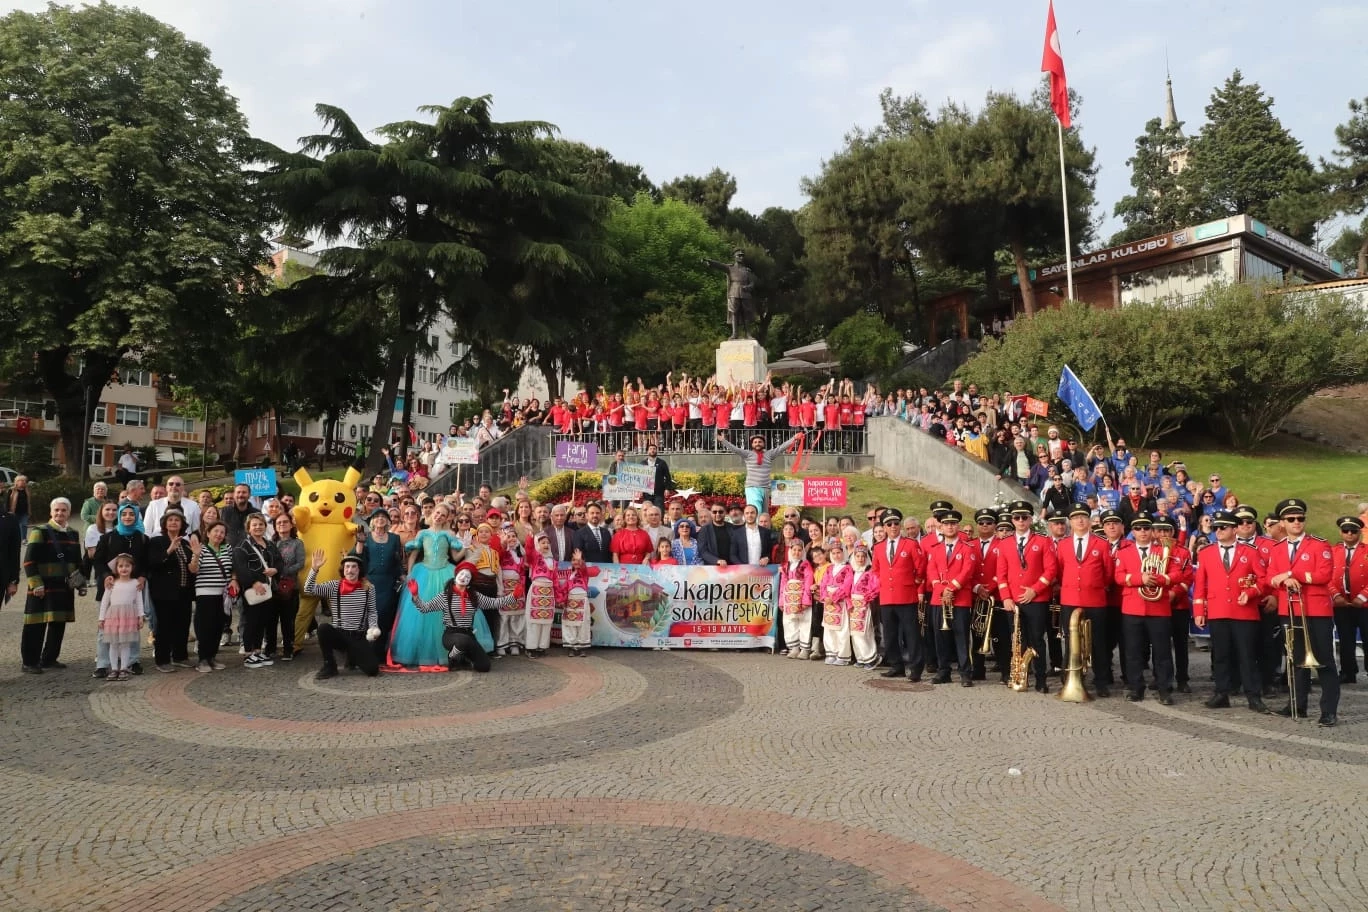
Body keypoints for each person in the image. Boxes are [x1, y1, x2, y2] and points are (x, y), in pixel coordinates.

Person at [1265, 498, 1339, 726]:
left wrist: (1290, 575)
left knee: (1324, 660)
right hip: (1290, 609)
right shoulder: (1276, 549)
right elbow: (1270, 577)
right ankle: (1297, 704)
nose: (1297, 522)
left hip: (1317, 610)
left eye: (1300, 518)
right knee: (1296, 660)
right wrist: (1284, 579)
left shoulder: (1319, 544)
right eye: (1291, 519)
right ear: (1282, 524)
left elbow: (1324, 575)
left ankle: (1328, 711)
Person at [1192, 510, 1268, 713]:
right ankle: (1221, 693)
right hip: (1218, 610)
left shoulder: (1250, 552)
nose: (1218, 531)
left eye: (1223, 527)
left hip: (1244, 611)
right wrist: (1199, 610)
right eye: (1216, 528)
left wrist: (1251, 593)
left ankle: (1254, 696)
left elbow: (1263, 580)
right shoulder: (1206, 552)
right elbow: (1200, 584)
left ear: (1234, 529)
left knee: (1247, 656)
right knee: (1221, 656)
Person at [390, 504, 475, 669]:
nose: (439, 517)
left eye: (443, 515)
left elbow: (456, 556)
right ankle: (421, 652)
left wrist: (465, 546)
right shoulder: (422, 533)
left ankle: (452, 653)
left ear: (446, 518)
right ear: (432, 514)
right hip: (424, 572)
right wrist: (410, 573)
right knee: (419, 614)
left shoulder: (449, 534)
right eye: (437, 513)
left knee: (449, 611)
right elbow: (413, 554)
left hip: (445, 572)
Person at [1115, 513, 1177, 704]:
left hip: (1158, 608)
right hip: (1133, 608)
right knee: (1133, 651)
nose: (1142, 532)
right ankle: (1135, 687)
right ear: (1132, 531)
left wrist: (1156, 579)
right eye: (1138, 529)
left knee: (1162, 651)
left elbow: (1175, 575)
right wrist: (1138, 579)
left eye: (1146, 528)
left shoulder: (1163, 551)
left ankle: (1164, 689)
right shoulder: (1123, 552)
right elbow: (1118, 577)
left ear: (1152, 531)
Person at [408, 562, 517, 671]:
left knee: (484, 666)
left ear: (469, 582)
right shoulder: (445, 596)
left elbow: (494, 603)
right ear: (456, 576)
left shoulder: (475, 596)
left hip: (468, 635)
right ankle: (453, 657)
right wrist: (416, 596)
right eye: (462, 574)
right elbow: (425, 608)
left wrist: (514, 596)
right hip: (451, 635)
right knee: (463, 641)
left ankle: (464, 658)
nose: (464, 577)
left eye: (467, 577)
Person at [998, 500, 1058, 691]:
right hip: (1013, 600)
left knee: (1037, 640)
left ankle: (1041, 679)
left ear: (1031, 519)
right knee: (1016, 640)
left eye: (1025, 517)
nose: (1021, 520)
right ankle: (1021, 676)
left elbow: (1051, 570)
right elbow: (1001, 574)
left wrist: (1035, 590)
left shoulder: (1043, 540)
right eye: (1017, 517)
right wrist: (1006, 597)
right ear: (1012, 520)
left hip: (1037, 599)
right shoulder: (1005, 543)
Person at [1057, 505, 1114, 697]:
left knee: (1098, 642)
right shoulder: (1063, 544)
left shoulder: (1102, 544)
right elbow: (1060, 571)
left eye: (1084, 517)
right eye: (1076, 518)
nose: (1080, 521)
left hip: (1095, 600)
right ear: (1070, 522)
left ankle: (1101, 682)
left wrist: (1094, 585)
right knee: (1071, 641)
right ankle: (1071, 678)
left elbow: (1108, 574)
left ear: (1089, 521)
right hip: (1070, 599)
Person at [19, 497, 82, 673]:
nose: (60, 513)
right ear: (51, 512)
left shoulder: (73, 533)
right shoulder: (40, 531)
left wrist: (79, 582)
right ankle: (30, 662)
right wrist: (35, 584)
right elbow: (29, 561)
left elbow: (77, 561)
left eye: (63, 510)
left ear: (69, 512)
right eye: (57, 510)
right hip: (42, 586)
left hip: (64, 586)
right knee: (35, 624)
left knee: (58, 623)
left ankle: (49, 658)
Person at [306, 550, 381, 679]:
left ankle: (352, 656)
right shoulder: (334, 586)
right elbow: (308, 589)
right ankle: (329, 665)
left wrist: (373, 627)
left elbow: (372, 611)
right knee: (323, 628)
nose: (350, 570)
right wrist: (314, 569)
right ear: (343, 569)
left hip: (358, 636)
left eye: (353, 567)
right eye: (347, 567)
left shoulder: (369, 588)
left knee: (372, 670)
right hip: (340, 634)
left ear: (359, 570)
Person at [927, 510, 980, 687]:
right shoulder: (935, 549)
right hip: (939, 598)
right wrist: (941, 589)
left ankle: (965, 673)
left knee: (961, 636)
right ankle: (944, 671)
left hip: (960, 598)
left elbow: (968, 570)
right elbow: (931, 571)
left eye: (953, 523)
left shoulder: (967, 548)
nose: (950, 527)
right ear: (940, 527)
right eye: (946, 524)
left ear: (958, 526)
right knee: (940, 636)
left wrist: (952, 588)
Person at [873, 509, 927, 681]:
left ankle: (916, 668)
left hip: (906, 596)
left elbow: (921, 568)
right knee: (890, 635)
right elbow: (876, 570)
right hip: (887, 598)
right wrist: (882, 584)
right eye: (889, 524)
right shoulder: (879, 547)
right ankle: (897, 666)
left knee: (912, 635)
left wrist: (914, 583)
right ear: (884, 527)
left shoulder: (910, 544)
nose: (893, 526)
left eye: (896, 523)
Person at [147, 510, 198, 672]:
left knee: (182, 624)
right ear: (164, 524)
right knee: (164, 626)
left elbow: (191, 567)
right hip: (164, 592)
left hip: (183, 591)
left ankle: (180, 656)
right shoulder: (157, 541)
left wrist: (196, 555)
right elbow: (152, 563)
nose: (174, 523)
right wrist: (169, 550)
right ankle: (162, 660)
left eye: (177, 520)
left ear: (182, 524)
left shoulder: (185, 543)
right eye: (170, 520)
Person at [232, 512, 280, 669]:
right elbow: (240, 567)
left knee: (262, 621)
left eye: (260, 524)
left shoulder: (270, 544)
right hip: (252, 590)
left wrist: (275, 569)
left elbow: (280, 562)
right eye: (254, 525)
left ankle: (257, 651)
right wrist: (253, 582)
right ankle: (248, 654)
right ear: (248, 528)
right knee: (250, 621)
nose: (258, 527)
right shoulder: (243, 546)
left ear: (265, 526)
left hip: (268, 590)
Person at [356, 509, 403, 662]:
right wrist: (360, 543)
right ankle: (365, 652)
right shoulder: (366, 538)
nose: (380, 519)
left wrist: (403, 576)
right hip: (370, 581)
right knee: (368, 616)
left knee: (384, 617)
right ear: (372, 521)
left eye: (384, 517)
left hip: (388, 582)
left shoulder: (395, 538)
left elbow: (397, 561)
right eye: (377, 517)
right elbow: (357, 557)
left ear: (388, 521)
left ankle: (380, 653)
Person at [717, 431, 802, 511]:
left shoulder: (769, 454)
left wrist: (794, 438)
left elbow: (781, 447)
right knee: (756, 511)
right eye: (755, 442)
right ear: (752, 445)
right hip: (752, 487)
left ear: (764, 444)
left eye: (760, 442)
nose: (757, 443)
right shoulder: (748, 454)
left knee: (764, 514)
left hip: (765, 488)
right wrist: (723, 441)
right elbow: (735, 449)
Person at [1331, 516, 1368, 684]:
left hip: (1364, 604)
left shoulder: (1366, 551)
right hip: (1342, 603)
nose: (1350, 534)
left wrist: (1363, 596)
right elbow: (1326, 577)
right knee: (1346, 638)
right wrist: (1335, 595)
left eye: (1354, 531)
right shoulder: (1333, 551)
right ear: (1341, 532)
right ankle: (1347, 671)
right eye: (1346, 531)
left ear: (1359, 532)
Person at [192, 521, 233, 672]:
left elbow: (232, 567)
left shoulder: (227, 548)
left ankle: (212, 657)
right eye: (216, 531)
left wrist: (233, 580)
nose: (219, 534)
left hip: (222, 595)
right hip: (205, 593)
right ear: (208, 533)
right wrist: (195, 556)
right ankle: (202, 659)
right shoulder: (201, 549)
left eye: (222, 532)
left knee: (218, 626)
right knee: (205, 627)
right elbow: (193, 570)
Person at [98, 554, 144, 681]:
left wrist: (141, 617)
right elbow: (105, 601)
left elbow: (139, 602)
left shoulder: (136, 583)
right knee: (113, 644)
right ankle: (113, 669)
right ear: (116, 568)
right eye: (121, 566)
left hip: (129, 617)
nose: (124, 569)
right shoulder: (112, 583)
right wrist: (101, 618)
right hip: (113, 616)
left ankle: (124, 668)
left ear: (132, 567)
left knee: (125, 644)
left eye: (127, 566)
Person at [268, 512, 305, 661]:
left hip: (289, 587)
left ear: (291, 525)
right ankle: (270, 648)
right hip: (272, 586)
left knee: (287, 620)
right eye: (279, 523)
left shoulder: (297, 543)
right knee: (270, 619)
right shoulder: (270, 543)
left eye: (285, 522)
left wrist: (281, 571)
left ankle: (288, 649)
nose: (282, 525)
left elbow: (300, 564)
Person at [778, 539, 814, 658]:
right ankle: (794, 647)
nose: (797, 552)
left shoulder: (805, 565)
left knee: (804, 622)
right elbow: (783, 583)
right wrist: (782, 601)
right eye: (794, 550)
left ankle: (805, 649)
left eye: (799, 550)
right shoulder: (786, 566)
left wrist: (806, 599)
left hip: (801, 597)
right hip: (789, 598)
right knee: (790, 622)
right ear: (790, 550)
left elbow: (808, 581)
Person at [846, 545, 880, 668]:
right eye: (858, 556)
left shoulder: (870, 572)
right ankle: (860, 657)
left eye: (863, 556)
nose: (860, 559)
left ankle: (871, 657)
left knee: (865, 632)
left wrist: (867, 598)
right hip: (854, 605)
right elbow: (847, 589)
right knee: (854, 632)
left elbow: (875, 587)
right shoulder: (852, 572)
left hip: (865, 605)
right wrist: (849, 603)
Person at [819, 542, 853, 666]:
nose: (836, 555)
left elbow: (847, 585)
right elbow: (823, 583)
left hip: (841, 601)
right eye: (834, 553)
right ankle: (831, 652)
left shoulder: (847, 568)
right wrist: (824, 596)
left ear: (843, 553)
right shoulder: (829, 568)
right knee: (829, 627)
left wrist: (834, 597)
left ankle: (843, 655)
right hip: (828, 601)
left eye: (839, 552)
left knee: (841, 629)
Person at [642, 443, 674, 511]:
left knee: (659, 510)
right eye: (650, 449)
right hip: (646, 493)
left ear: (656, 451)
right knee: (647, 511)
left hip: (658, 493)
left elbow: (667, 476)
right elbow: (639, 477)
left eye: (654, 449)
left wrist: (667, 488)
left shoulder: (662, 463)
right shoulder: (643, 463)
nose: (652, 450)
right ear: (647, 451)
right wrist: (639, 490)